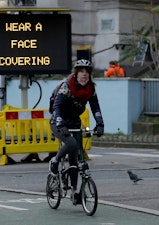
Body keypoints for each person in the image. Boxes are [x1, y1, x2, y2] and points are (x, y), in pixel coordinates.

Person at [49, 59, 104, 203]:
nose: (84, 75)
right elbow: (57, 107)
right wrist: (60, 123)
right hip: (58, 121)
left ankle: (74, 191)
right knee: (72, 143)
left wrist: (100, 124)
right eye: (81, 72)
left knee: (75, 158)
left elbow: (95, 107)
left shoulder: (90, 89)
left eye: (87, 72)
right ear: (76, 73)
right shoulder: (67, 87)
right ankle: (55, 161)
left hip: (74, 122)